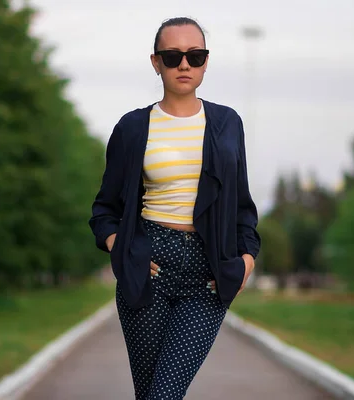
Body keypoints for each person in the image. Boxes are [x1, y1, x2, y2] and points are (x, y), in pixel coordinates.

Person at [89, 16, 261, 400]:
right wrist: (122, 247)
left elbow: (243, 209)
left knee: (163, 394)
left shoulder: (227, 124)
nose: (184, 64)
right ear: (156, 62)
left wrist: (246, 260)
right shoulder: (133, 128)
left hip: (207, 277)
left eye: (195, 55)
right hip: (147, 267)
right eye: (173, 56)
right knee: (153, 394)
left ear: (205, 61)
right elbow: (104, 211)